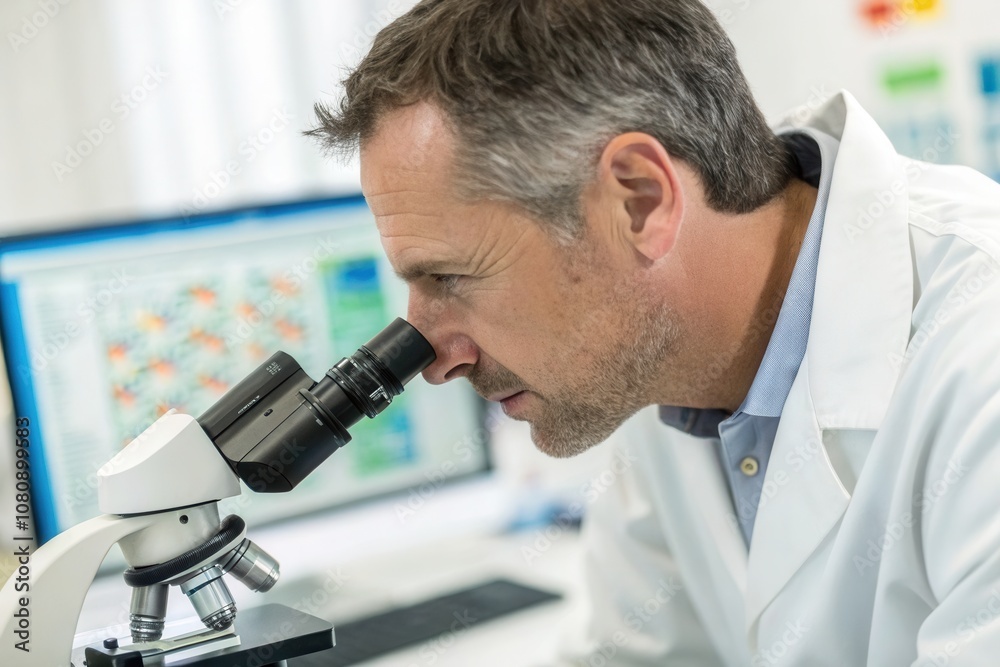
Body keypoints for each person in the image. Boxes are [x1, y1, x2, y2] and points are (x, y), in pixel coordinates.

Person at [305, 0, 1000, 664]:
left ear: (640, 200)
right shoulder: (661, 351)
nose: (434, 359)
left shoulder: (977, 358)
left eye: (451, 277)